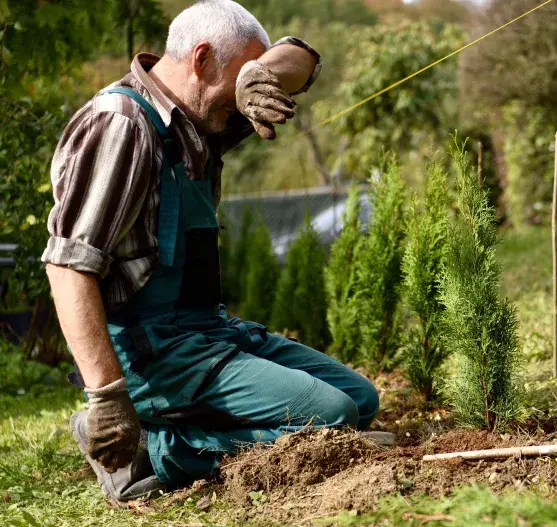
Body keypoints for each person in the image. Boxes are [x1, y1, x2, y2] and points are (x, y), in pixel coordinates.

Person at [41, 0, 380, 505]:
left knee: (360, 400)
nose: (249, 99)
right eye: (243, 76)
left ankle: (280, 435)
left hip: (203, 332)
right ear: (200, 60)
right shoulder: (124, 125)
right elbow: (67, 266)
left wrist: (257, 73)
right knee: (332, 415)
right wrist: (108, 397)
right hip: (150, 351)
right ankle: (156, 452)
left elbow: (303, 59)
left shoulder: (201, 119)